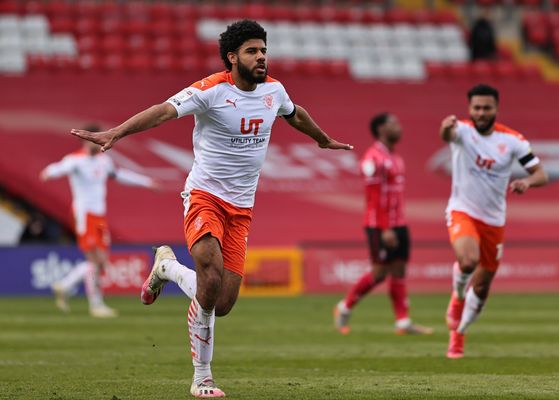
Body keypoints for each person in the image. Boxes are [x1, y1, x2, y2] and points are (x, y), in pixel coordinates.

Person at [70, 20, 353, 398]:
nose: (262, 57)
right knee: (209, 271)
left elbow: (294, 113)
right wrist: (115, 133)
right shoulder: (210, 90)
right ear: (233, 57)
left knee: (220, 303)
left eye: (264, 50)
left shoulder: (274, 91)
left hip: (242, 208)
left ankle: (166, 267)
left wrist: (323, 140)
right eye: (253, 51)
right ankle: (202, 377)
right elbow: (162, 110)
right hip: (204, 196)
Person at [440, 84, 548, 359]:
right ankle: (457, 297)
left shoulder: (513, 140)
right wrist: (445, 127)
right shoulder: (461, 131)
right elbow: (446, 135)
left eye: (486, 107)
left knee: (483, 285)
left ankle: (459, 333)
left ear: (496, 109)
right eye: (476, 107)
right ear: (469, 109)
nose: (481, 112)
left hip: (494, 220)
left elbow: (541, 174)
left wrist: (527, 181)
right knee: (467, 262)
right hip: (462, 210)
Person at [41, 124, 156, 318]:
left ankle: (65, 285)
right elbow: (58, 168)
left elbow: (119, 176)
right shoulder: (75, 160)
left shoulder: (104, 161)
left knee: (100, 264)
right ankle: (96, 305)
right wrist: (49, 173)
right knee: (97, 260)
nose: (96, 141)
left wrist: (146, 182)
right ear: (84, 140)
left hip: (99, 217)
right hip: (84, 215)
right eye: (92, 138)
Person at [333, 113, 433, 336]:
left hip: (400, 222)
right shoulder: (373, 159)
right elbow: (373, 197)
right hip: (380, 224)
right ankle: (344, 307)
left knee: (399, 270)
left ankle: (403, 321)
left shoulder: (396, 158)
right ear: (380, 129)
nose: (399, 127)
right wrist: (386, 227)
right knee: (379, 273)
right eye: (393, 124)